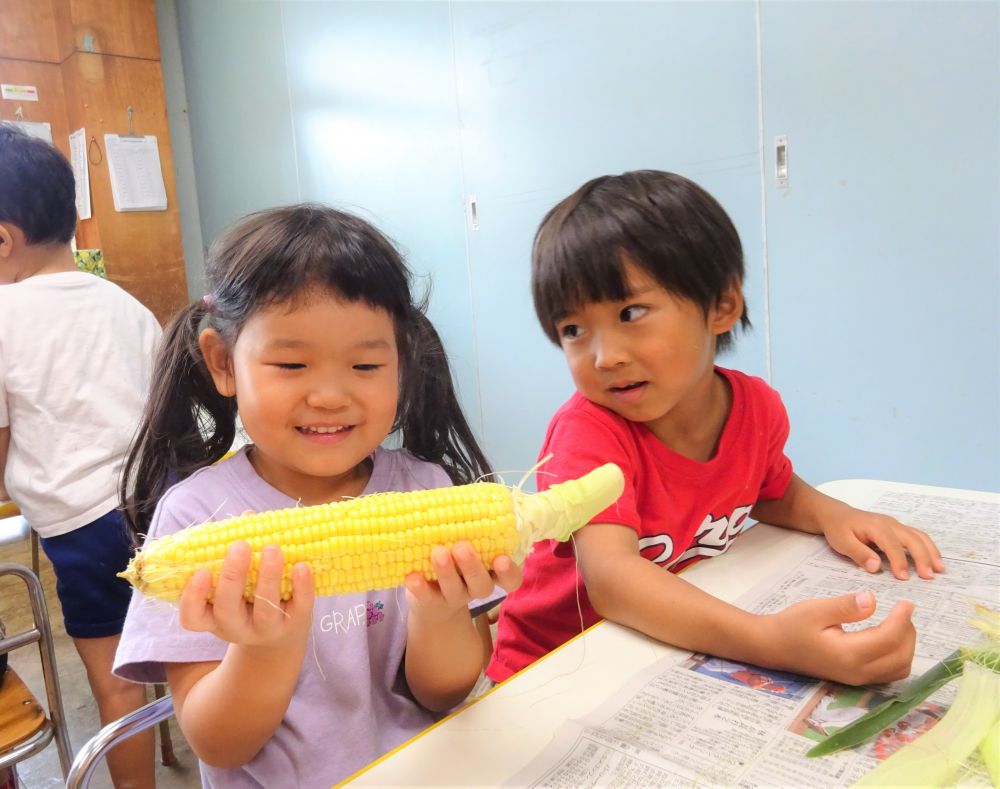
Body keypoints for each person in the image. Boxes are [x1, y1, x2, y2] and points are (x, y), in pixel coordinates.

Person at [113, 204, 521, 787]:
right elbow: (220, 744)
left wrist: (440, 612)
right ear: (223, 363)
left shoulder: (425, 486)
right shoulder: (196, 519)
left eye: (364, 364)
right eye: (291, 363)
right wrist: (266, 649)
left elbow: (444, 695)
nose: (330, 395)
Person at [488, 170, 944, 687]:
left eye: (631, 312)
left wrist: (835, 514)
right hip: (553, 670)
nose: (605, 356)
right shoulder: (590, 432)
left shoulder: (755, 408)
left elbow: (764, 490)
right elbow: (613, 581)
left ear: (722, 307)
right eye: (574, 330)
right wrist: (770, 641)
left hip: (662, 651)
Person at [0, 125, 161, 787]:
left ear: (2, 237)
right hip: (161, 503)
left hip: (85, 528)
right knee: (179, 658)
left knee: (116, 682)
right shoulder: (129, 306)